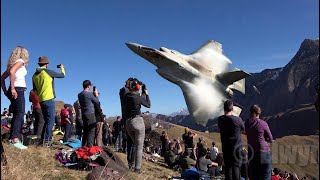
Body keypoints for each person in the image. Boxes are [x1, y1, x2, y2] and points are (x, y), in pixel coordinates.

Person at [32, 56, 65, 146]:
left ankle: (43, 140)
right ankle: (47, 141)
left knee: (46, 121)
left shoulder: (34, 75)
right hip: (49, 99)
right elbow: (62, 75)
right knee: (50, 121)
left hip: (41, 100)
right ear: (46, 64)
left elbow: (35, 90)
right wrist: (62, 68)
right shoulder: (47, 71)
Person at [1, 46, 29, 150]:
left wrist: (5, 90)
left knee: (17, 114)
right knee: (20, 114)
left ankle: (12, 138)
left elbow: (2, 78)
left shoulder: (12, 63)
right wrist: (12, 88)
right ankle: (15, 139)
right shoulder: (20, 61)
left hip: (13, 89)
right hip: (18, 89)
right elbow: (12, 72)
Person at [123, 78, 151, 173]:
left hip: (128, 123)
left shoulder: (126, 96)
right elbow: (148, 105)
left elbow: (135, 96)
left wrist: (141, 94)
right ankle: (137, 169)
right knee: (139, 147)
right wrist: (146, 94)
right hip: (137, 121)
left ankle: (132, 165)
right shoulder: (138, 97)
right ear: (137, 87)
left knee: (135, 145)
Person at [218, 100, 244, 180]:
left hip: (226, 148)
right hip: (237, 147)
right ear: (232, 108)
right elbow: (243, 129)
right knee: (236, 167)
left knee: (228, 168)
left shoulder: (220, 119)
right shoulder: (238, 120)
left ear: (224, 108)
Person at [245, 104, 273, 180]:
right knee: (265, 175)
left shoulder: (247, 123)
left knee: (254, 176)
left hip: (252, 153)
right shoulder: (263, 123)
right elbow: (270, 138)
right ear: (259, 113)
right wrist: (265, 139)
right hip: (263, 152)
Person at [78, 80, 100, 147]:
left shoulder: (79, 94)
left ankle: (83, 146)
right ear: (88, 86)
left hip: (83, 114)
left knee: (85, 131)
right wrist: (96, 95)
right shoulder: (89, 94)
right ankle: (90, 146)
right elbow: (97, 102)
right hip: (90, 114)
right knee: (92, 130)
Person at [119, 77, 135, 168]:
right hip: (130, 117)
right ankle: (131, 163)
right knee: (132, 141)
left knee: (130, 141)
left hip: (125, 117)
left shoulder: (122, 90)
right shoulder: (127, 92)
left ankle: (130, 162)